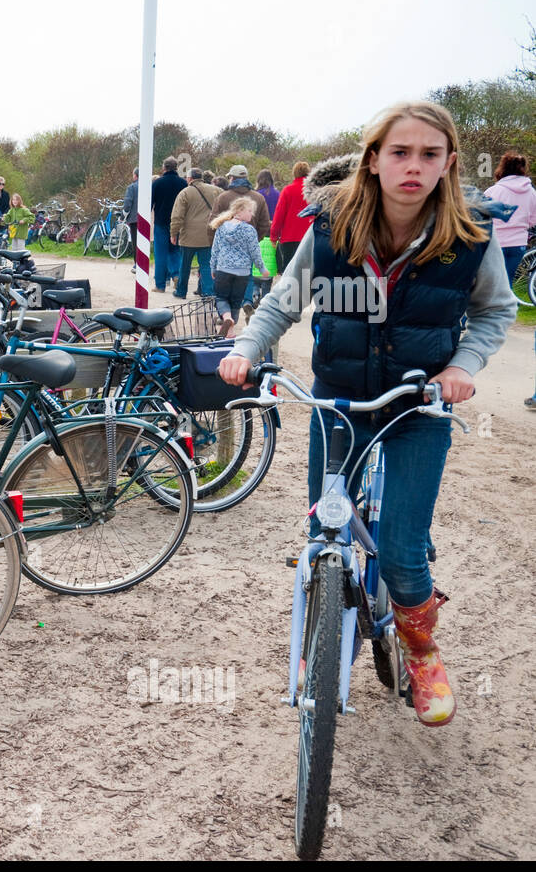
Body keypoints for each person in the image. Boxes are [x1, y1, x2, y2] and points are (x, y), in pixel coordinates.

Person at [219, 101, 517, 728]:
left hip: (417, 405)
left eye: (429, 154)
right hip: (337, 401)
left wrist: (461, 367)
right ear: (374, 160)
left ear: (449, 163)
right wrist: (247, 348)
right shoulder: (329, 229)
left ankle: (422, 651)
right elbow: (283, 301)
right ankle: (321, 639)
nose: (413, 166)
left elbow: (495, 312)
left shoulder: (470, 237)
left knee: (404, 551)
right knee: (323, 531)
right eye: (400, 153)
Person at [208, 196, 266, 335]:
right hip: (242, 273)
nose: (252, 214)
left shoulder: (221, 227)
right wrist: (262, 268)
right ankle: (230, 332)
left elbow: (215, 249)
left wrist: (213, 267)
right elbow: (255, 252)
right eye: (249, 211)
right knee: (236, 302)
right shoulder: (249, 230)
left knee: (221, 298)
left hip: (223, 269)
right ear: (239, 211)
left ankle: (227, 320)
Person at [484, 151, 536, 287]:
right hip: (518, 243)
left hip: (496, 242)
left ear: (503, 168)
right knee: (508, 281)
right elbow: (534, 219)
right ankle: (511, 306)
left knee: (494, 283)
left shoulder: (493, 191)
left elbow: (481, 216)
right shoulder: (531, 192)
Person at [169, 168, 219, 298]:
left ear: (190, 178)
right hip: (208, 235)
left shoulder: (185, 193)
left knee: (185, 265)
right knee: (206, 265)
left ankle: (181, 292)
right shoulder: (216, 191)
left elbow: (177, 216)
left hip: (188, 237)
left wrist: (173, 233)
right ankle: (208, 291)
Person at [270, 161, 314, 274]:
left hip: (289, 238)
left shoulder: (287, 190)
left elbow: (279, 215)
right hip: (310, 237)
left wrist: (274, 236)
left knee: (290, 272)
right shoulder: (314, 190)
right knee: (308, 271)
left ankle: (291, 291)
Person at [151, 156, 187, 292]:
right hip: (178, 223)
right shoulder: (183, 183)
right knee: (175, 251)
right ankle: (176, 275)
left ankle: (160, 285)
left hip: (161, 221)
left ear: (164, 168)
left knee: (160, 253)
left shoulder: (157, 183)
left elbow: (150, 202)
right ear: (176, 167)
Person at [213, 164, 271, 240]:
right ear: (247, 178)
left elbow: (213, 223)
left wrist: (218, 244)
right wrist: (254, 239)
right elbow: (265, 224)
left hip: (227, 246)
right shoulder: (259, 198)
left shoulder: (222, 197)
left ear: (232, 178)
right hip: (249, 244)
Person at [123, 168, 139, 271]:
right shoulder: (149, 186)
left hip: (134, 219)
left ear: (135, 175)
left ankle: (137, 264)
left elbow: (127, 204)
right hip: (147, 220)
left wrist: (123, 216)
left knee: (135, 242)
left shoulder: (132, 187)